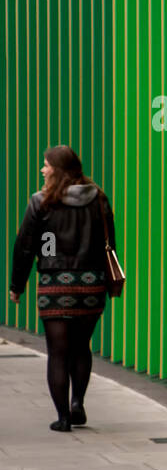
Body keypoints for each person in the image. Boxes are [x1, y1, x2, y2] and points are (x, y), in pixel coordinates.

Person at [8, 145, 117, 432]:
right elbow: (109, 243)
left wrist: (16, 285)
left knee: (58, 352)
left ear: (58, 169)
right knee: (81, 347)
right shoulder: (99, 199)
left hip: (55, 284)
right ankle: (78, 402)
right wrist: (106, 281)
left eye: (46, 165)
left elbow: (27, 247)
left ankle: (63, 418)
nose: (42, 170)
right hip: (92, 284)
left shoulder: (41, 202)